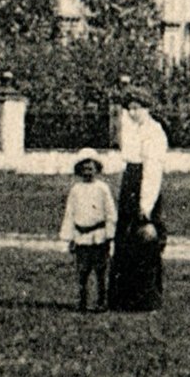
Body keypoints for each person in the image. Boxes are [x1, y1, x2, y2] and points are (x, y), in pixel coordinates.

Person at [105, 92, 168, 312]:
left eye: (137, 108)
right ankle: (123, 300)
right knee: (125, 242)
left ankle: (146, 300)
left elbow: (152, 171)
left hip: (143, 190)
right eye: (129, 108)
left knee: (145, 242)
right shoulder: (132, 130)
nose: (132, 113)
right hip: (130, 186)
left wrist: (145, 205)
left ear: (147, 108)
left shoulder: (154, 131)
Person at [58, 149, 118, 311]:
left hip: (98, 236)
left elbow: (111, 213)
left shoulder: (102, 188)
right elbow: (70, 214)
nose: (88, 172)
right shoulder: (76, 190)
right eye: (84, 169)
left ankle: (101, 301)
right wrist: (69, 237)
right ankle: (82, 301)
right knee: (82, 272)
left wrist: (109, 235)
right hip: (81, 236)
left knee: (100, 271)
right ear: (79, 171)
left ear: (97, 169)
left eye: (91, 168)